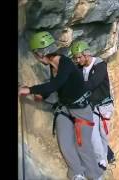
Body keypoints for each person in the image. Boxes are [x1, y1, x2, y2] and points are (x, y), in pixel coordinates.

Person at [18, 32, 104, 180]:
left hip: (82, 110)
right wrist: (42, 95)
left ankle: (94, 176)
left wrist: (30, 90)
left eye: (36, 54)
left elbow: (56, 83)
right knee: (65, 143)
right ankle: (77, 173)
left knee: (83, 146)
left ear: (41, 53)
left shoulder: (65, 63)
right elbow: (56, 85)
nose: (37, 58)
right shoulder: (53, 66)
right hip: (64, 108)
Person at [70, 40, 116, 170]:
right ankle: (101, 159)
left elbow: (93, 83)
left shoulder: (100, 65)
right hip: (91, 106)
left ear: (87, 54)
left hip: (104, 106)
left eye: (79, 57)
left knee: (103, 134)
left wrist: (77, 88)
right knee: (92, 133)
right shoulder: (79, 68)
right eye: (76, 58)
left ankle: (105, 158)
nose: (78, 60)